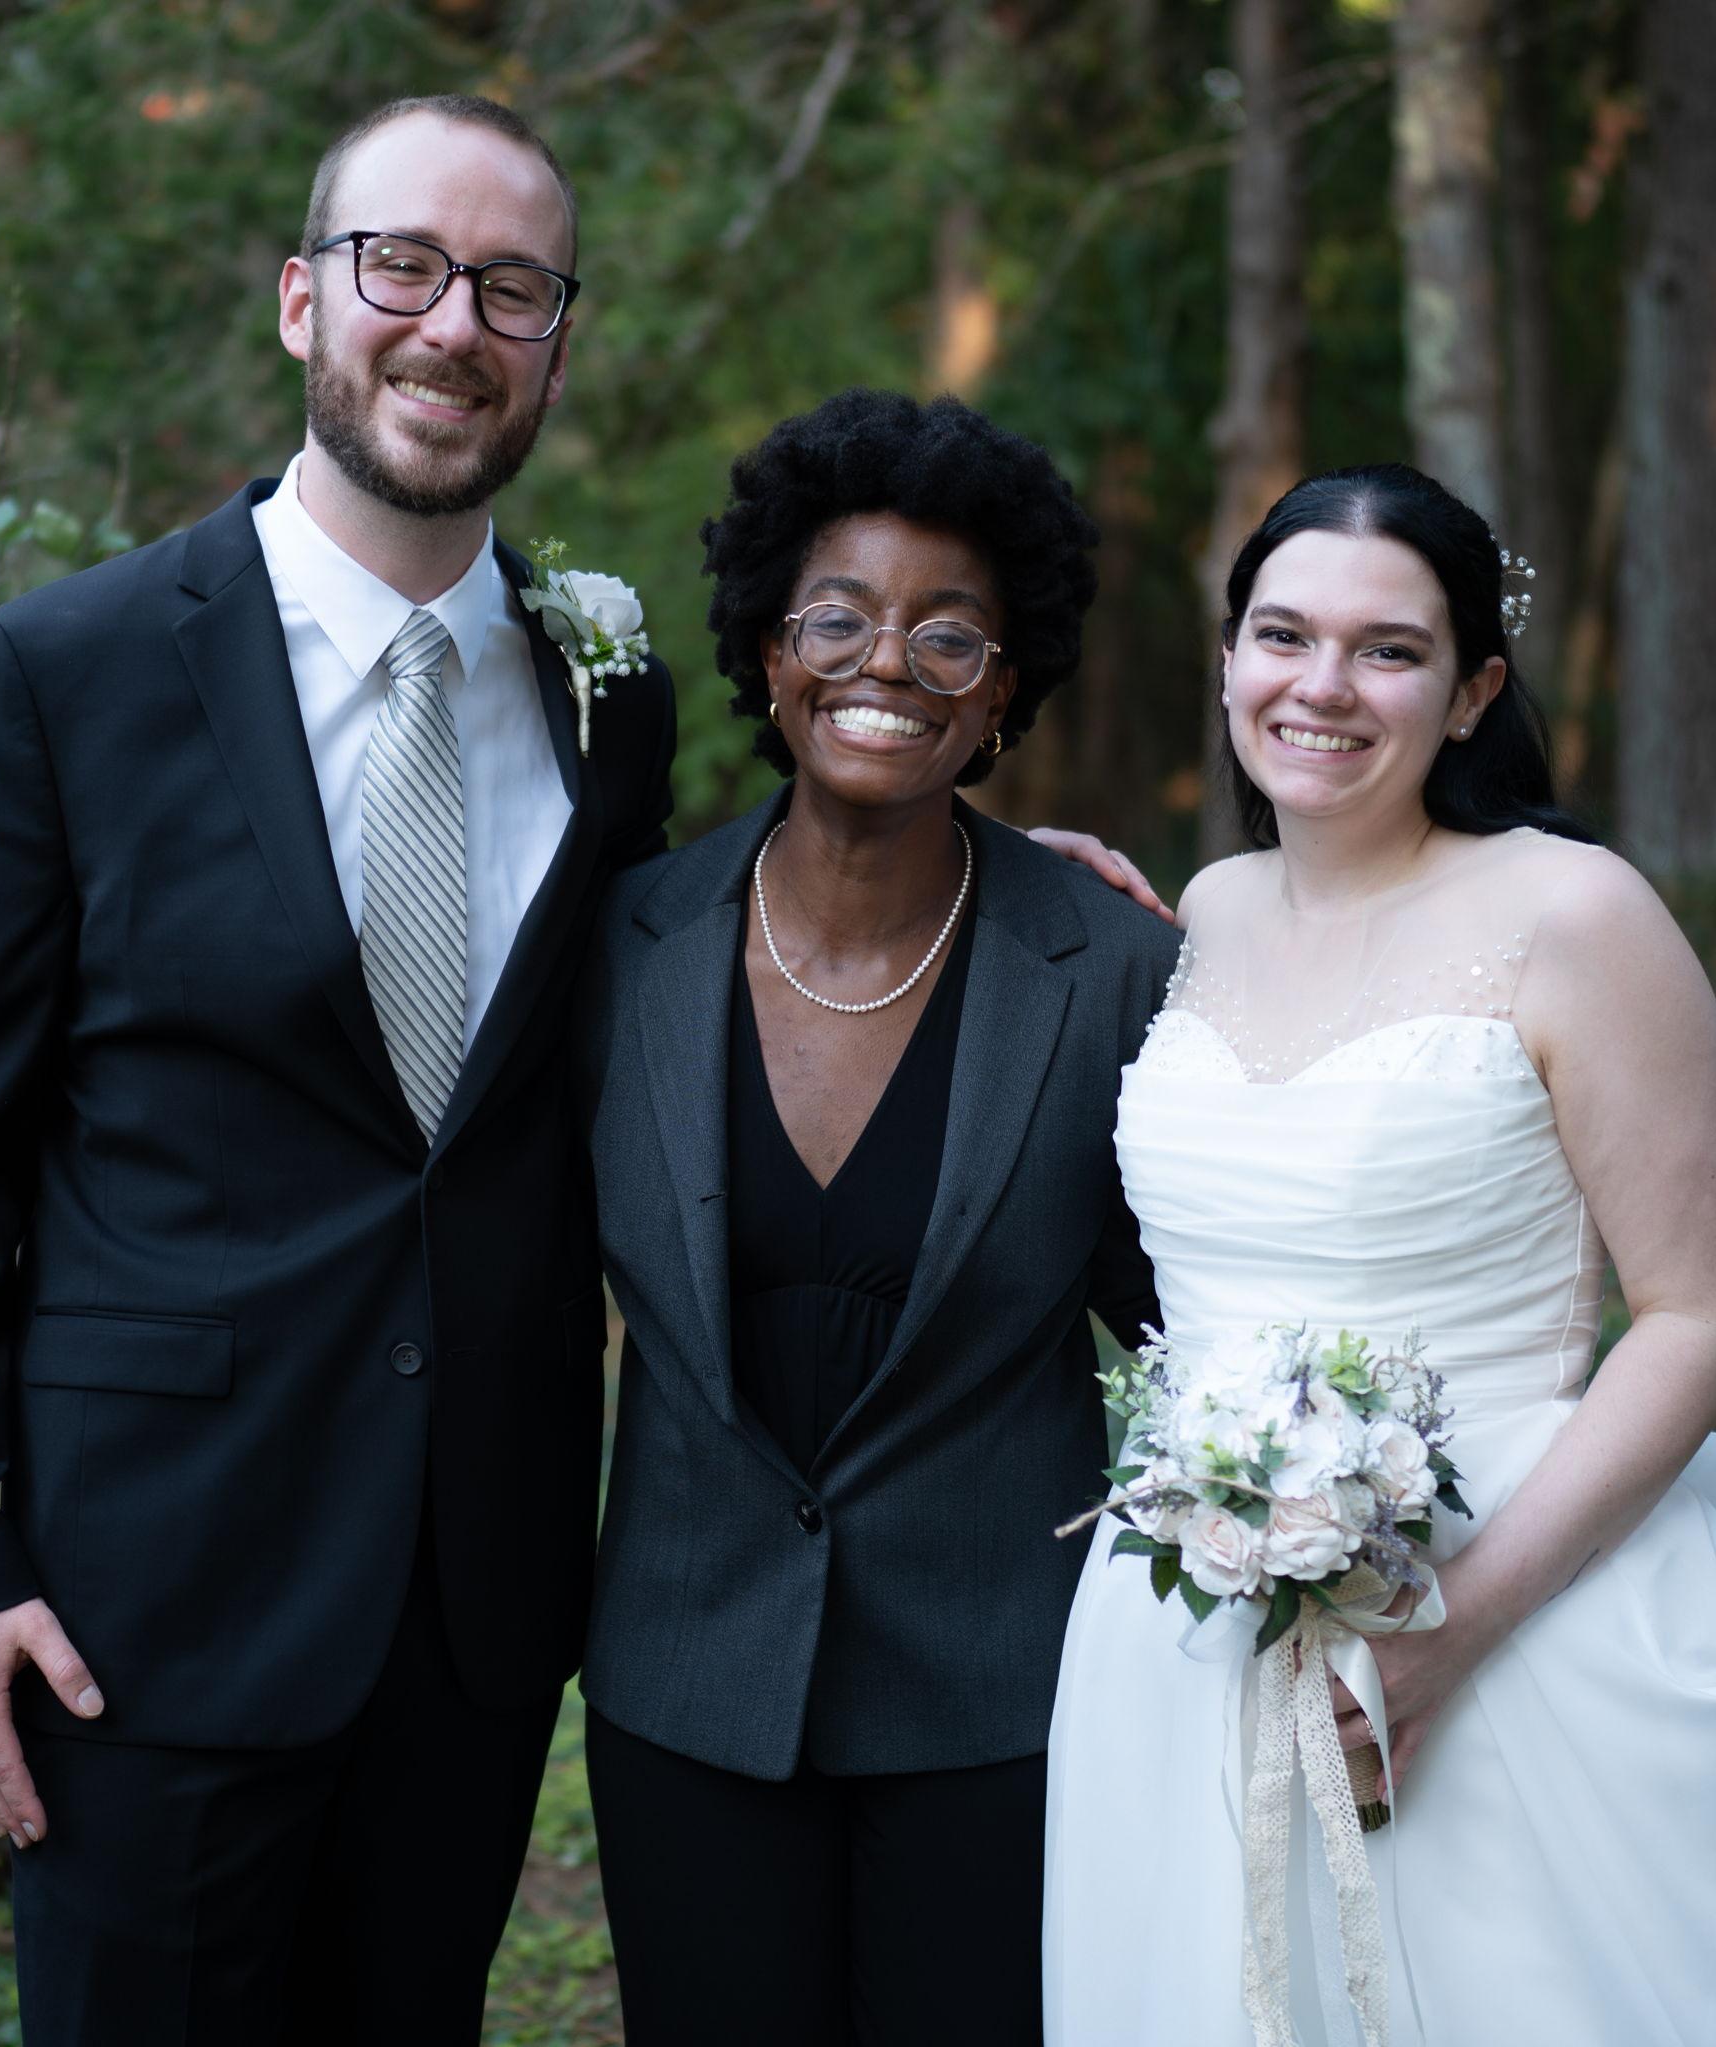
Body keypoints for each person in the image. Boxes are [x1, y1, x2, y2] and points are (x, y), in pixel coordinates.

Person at [0, 96, 1156, 2044]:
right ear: (303, 299)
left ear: (556, 339)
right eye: (402, 265)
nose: (450, 323)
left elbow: (761, 918)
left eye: (510, 286)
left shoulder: (600, 693)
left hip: (478, 1616)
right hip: (149, 1603)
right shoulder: (70, 671)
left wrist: (1001, 861)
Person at [1043, 463, 1716, 2045]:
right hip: (1186, 1617)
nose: (1321, 687)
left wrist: (1446, 1637)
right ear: (1227, 659)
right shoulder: (1196, 912)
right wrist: (1008, 890)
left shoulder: (1578, 916)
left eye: (1389, 650)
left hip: (1515, 1597)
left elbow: (1700, 1312)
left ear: (1474, 690)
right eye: (1282, 635)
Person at [571, 388, 1180, 2047]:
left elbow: (1197, 1327)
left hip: (1001, 1696)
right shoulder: (618, 947)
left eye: (950, 637)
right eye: (837, 617)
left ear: (1003, 698)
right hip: (685, 1686)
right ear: (769, 653)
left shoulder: (1116, 967)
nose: (886, 664)